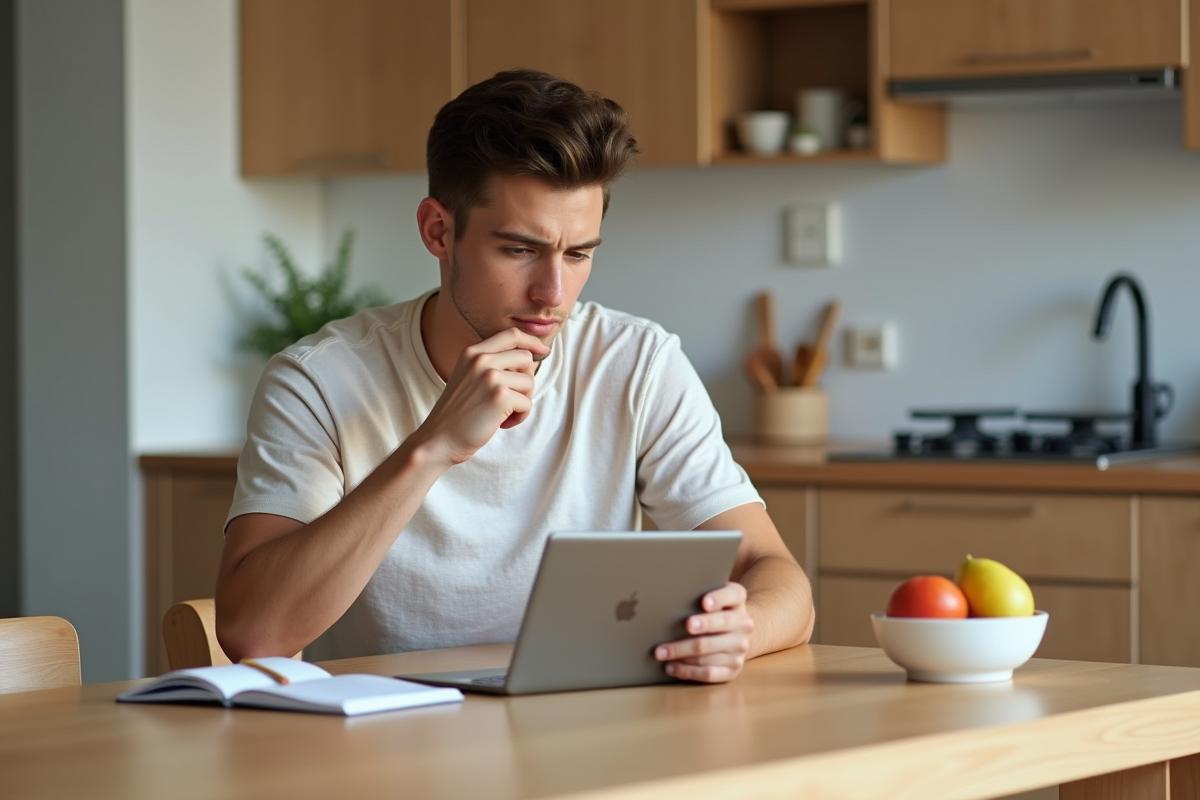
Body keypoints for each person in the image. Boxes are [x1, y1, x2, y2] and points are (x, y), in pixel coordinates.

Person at [216, 69, 815, 683]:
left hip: (588, 736)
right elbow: (254, 633)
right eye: (520, 250)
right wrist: (432, 447)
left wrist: (741, 629)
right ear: (438, 231)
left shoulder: (636, 364)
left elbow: (779, 577)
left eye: (579, 254)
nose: (553, 294)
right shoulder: (317, 382)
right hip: (390, 747)